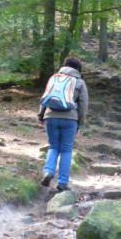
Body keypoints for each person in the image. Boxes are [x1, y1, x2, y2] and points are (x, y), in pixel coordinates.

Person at [38, 57, 88, 191]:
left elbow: (45, 97)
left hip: (51, 116)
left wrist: (41, 115)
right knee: (66, 150)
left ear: (64, 66)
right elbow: (83, 104)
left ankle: (48, 171)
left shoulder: (54, 78)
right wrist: (80, 121)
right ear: (78, 69)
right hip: (70, 119)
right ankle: (62, 182)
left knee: (53, 147)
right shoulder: (79, 82)